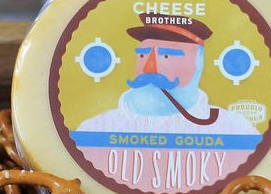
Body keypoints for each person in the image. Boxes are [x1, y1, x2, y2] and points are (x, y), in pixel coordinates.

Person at [75, 13, 260, 136]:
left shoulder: (236, 130)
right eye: (143, 55)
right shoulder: (93, 130)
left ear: (197, 62)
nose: (150, 67)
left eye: (166, 56)